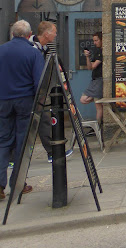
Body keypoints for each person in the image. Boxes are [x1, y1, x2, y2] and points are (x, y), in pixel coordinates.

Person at [0, 20, 45, 199]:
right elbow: (39, 82)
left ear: (12, 34)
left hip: (3, 100)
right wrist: (39, 102)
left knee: (3, 141)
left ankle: (0, 185)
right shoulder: (33, 53)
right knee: (22, 142)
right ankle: (18, 183)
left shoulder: (1, 50)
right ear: (29, 35)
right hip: (25, 101)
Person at [31, 21, 73, 162]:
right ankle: (12, 158)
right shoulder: (31, 48)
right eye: (54, 32)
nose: (55, 35)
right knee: (29, 122)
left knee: (43, 120)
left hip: (39, 92)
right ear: (46, 34)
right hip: (28, 92)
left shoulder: (45, 49)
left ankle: (52, 152)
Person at [80, 32, 104, 129]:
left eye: (96, 40)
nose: (94, 43)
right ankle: (98, 127)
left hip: (99, 80)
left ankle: (98, 127)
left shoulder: (102, 52)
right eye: (93, 40)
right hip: (95, 80)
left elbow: (94, 66)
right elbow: (90, 67)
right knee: (98, 104)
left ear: (102, 39)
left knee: (97, 105)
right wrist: (87, 57)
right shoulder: (97, 51)